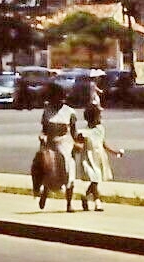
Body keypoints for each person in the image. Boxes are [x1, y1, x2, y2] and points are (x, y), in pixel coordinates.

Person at [72, 103, 124, 212]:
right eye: (98, 116)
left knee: (96, 180)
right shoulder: (83, 133)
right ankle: (97, 202)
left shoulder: (100, 129)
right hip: (88, 158)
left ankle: (85, 196)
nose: (100, 118)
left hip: (99, 157)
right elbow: (78, 145)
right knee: (94, 178)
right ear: (91, 117)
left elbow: (103, 144)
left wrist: (115, 152)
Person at [37, 82, 78, 212]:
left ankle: (69, 203)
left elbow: (74, 132)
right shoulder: (47, 111)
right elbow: (43, 129)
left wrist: (79, 143)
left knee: (68, 173)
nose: (59, 100)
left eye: (62, 97)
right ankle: (45, 191)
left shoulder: (70, 112)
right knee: (51, 172)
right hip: (51, 145)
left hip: (66, 145)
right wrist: (42, 137)